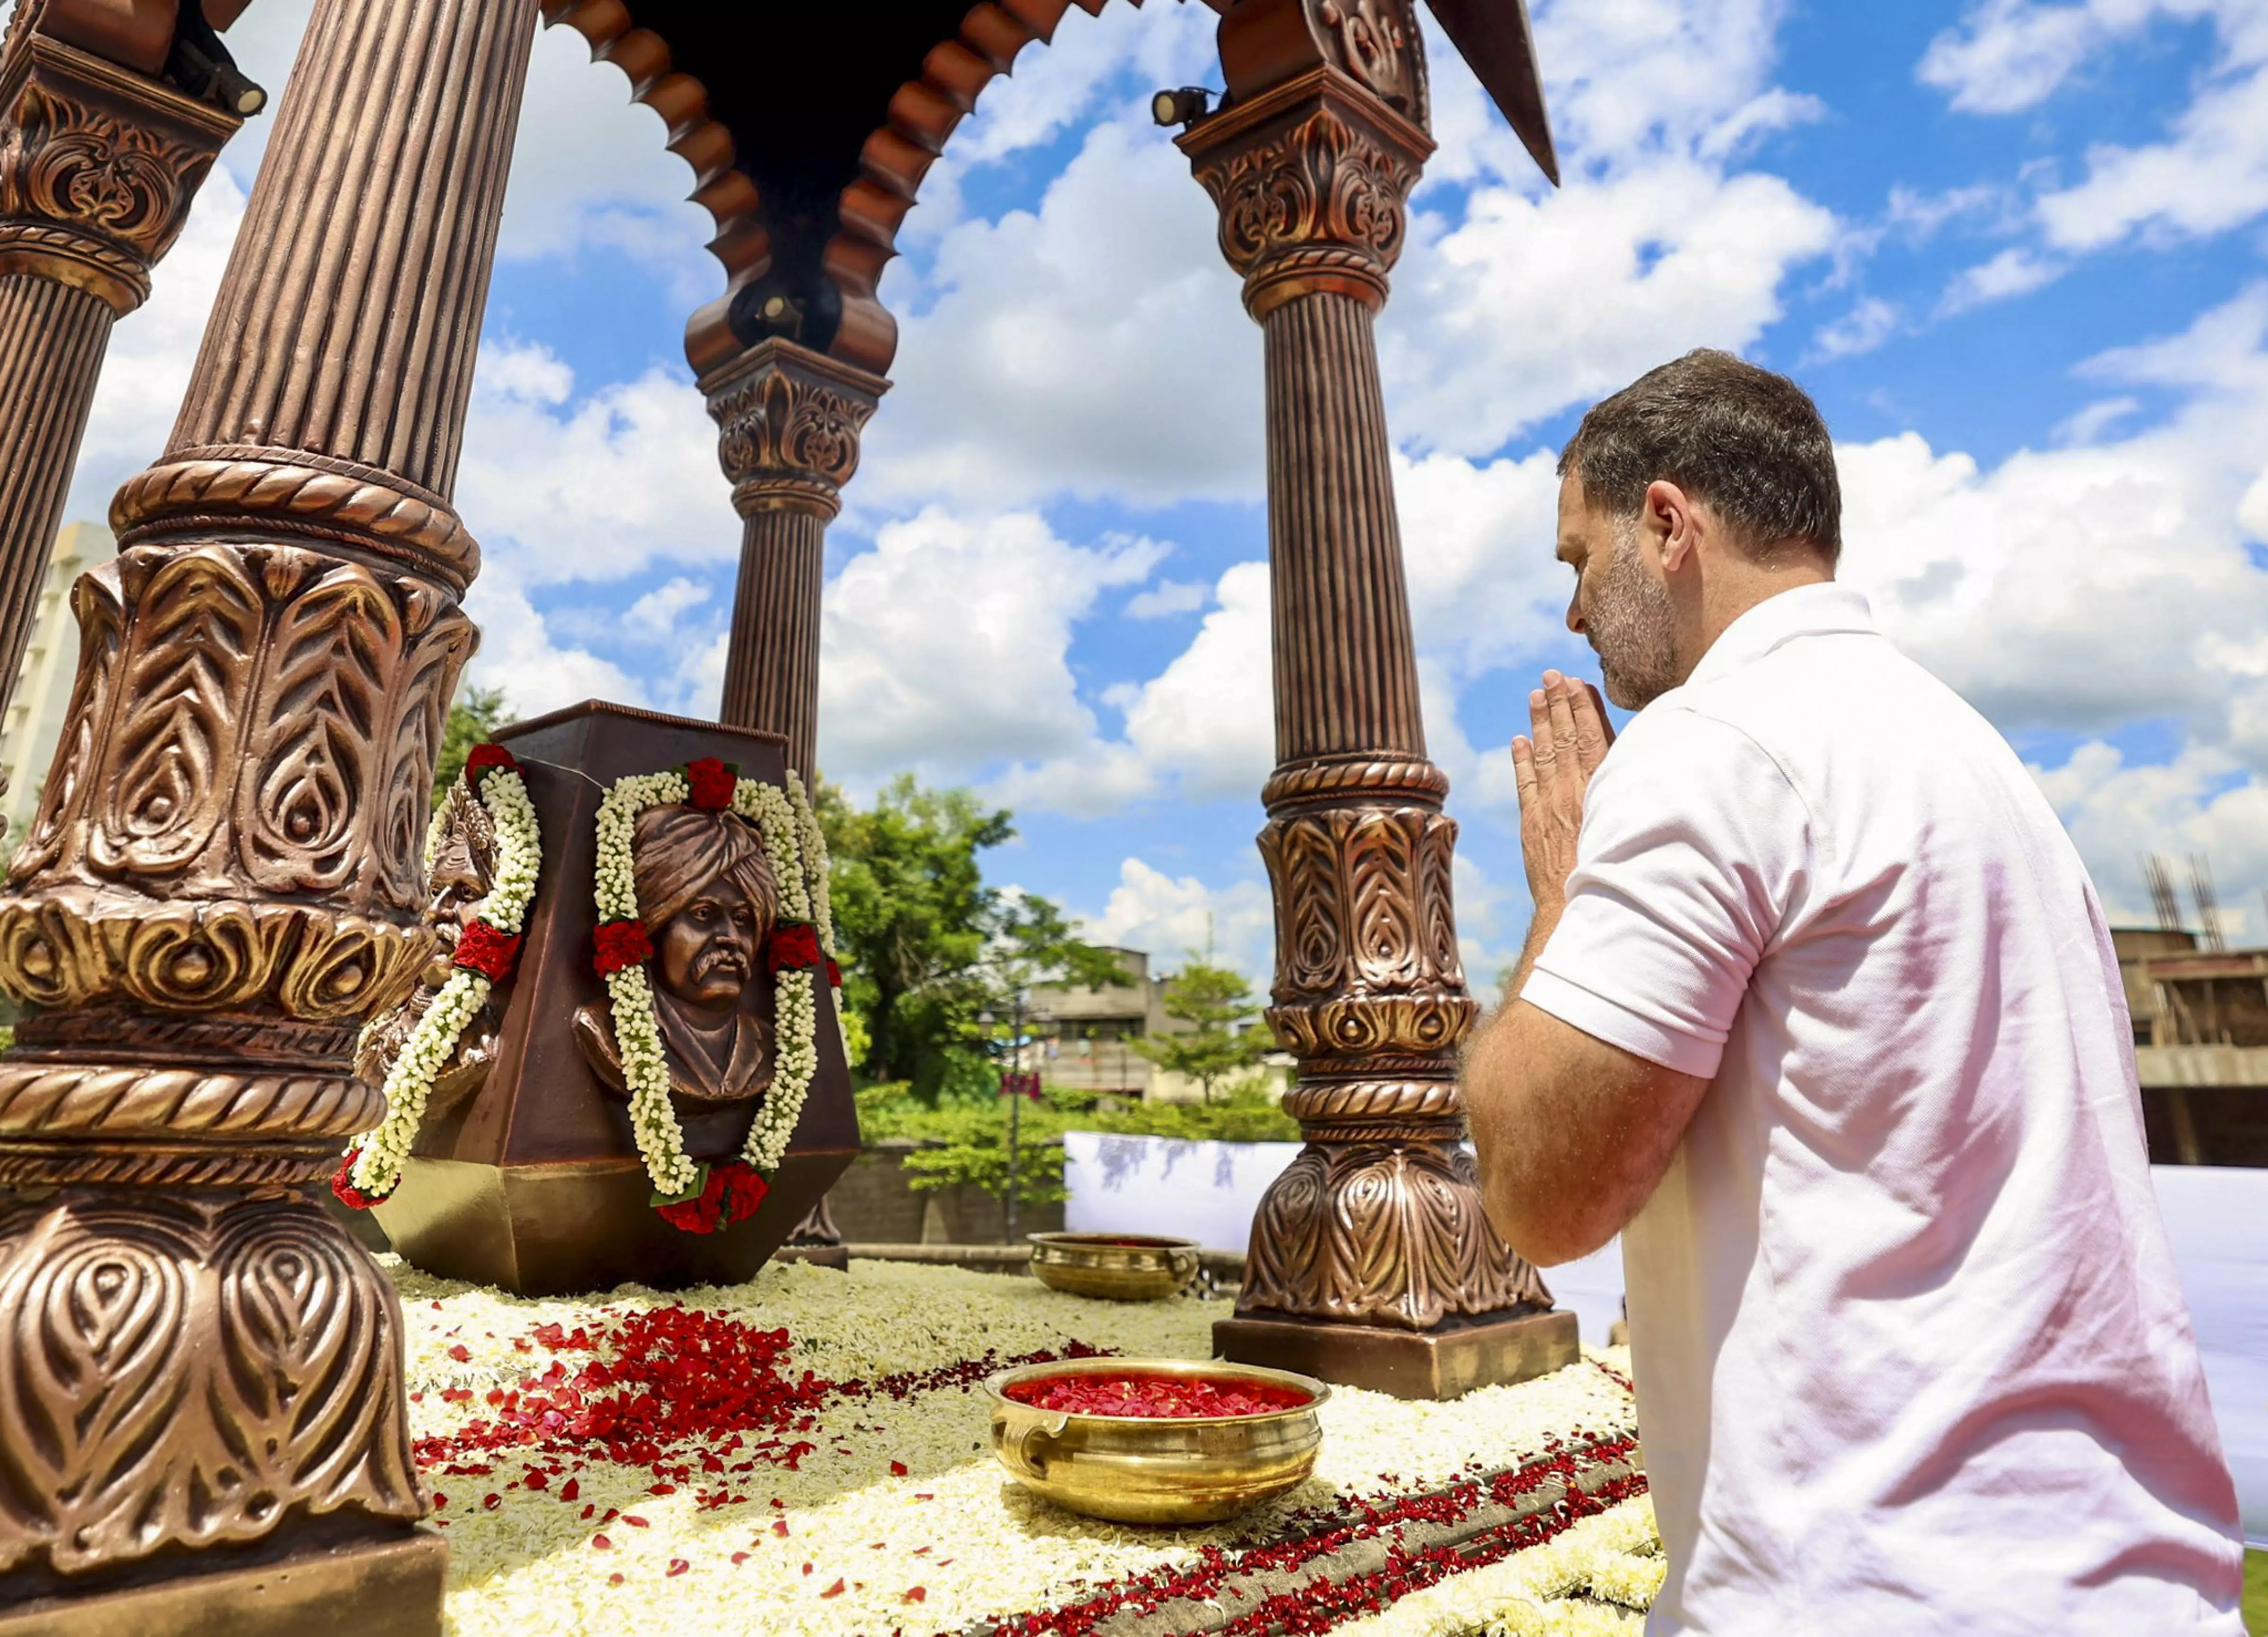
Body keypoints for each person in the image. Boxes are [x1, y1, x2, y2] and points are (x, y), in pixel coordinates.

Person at [1463, 349, 2245, 1633]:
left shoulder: (1715, 746)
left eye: (1575, 561)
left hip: (1880, 1582)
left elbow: (1547, 1193)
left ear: (1665, 524)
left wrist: (1561, 896)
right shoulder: (1972, 755)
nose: (1573, 614)